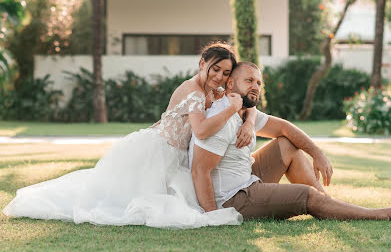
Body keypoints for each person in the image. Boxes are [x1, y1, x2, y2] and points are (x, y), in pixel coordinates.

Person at [3, 42, 255, 229]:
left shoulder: (213, 91)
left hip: (175, 156)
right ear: (203, 63)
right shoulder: (194, 91)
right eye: (215, 69)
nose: (219, 77)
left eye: (225, 73)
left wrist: (248, 121)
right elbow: (200, 129)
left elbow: (249, 103)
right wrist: (232, 109)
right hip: (156, 150)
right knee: (117, 199)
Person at [190, 62, 391, 221]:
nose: (255, 87)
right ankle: (383, 213)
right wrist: (214, 216)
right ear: (230, 84)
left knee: (287, 144)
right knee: (307, 196)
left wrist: (318, 154)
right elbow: (200, 171)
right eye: (249, 80)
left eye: (259, 83)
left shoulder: (242, 110)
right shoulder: (221, 120)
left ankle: (327, 203)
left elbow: (285, 128)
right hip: (233, 199)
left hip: (246, 178)